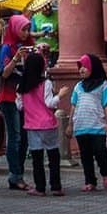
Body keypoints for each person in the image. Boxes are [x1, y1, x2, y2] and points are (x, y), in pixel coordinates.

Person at [17, 50, 64, 196]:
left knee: (37, 159)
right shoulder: (46, 84)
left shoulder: (22, 86)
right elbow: (49, 103)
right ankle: (56, 186)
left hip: (31, 125)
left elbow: (19, 106)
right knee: (53, 156)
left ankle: (40, 187)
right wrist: (60, 95)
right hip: (47, 124)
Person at [0, 14, 34, 192]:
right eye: (23, 29)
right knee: (15, 137)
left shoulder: (29, 46)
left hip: (25, 98)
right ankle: (15, 175)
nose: (26, 33)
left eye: (28, 29)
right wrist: (16, 58)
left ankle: (17, 174)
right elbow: (4, 74)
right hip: (9, 98)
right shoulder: (7, 48)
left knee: (24, 138)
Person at [71, 54, 107, 191]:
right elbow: (73, 105)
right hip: (81, 126)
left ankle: (106, 173)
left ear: (93, 68)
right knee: (85, 156)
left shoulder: (104, 85)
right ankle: (90, 181)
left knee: (100, 151)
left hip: (97, 126)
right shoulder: (78, 86)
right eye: (80, 67)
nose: (81, 70)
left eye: (85, 66)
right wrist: (69, 125)